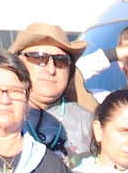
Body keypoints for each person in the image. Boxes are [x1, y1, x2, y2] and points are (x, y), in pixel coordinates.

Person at [10, 23, 87, 154]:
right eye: (39, 58)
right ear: (18, 62)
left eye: (61, 60)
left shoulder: (86, 122)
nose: (51, 70)